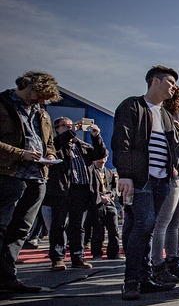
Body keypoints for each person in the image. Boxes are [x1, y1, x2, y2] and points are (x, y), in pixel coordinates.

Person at [111, 65, 179, 300]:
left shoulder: (166, 115)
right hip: (140, 179)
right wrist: (125, 174)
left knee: (144, 227)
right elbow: (122, 141)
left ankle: (143, 277)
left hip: (162, 180)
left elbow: (172, 147)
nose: (174, 88)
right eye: (170, 82)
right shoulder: (132, 106)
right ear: (155, 81)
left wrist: (173, 168)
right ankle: (130, 281)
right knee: (144, 223)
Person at [0, 71, 60, 293]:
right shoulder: (3, 104)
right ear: (26, 85)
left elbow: (50, 142)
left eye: (45, 99)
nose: (41, 101)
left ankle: (7, 278)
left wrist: (51, 155)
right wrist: (20, 153)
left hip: (37, 177)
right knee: (2, 226)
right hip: (8, 175)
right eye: (39, 95)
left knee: (21, 230)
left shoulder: (42, 114)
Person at [47, 116, 107, 270]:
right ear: (57, 129)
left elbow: (100, 154)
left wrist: (96, 136)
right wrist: (71, 132)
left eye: (71, 125)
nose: (70, 128)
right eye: (65, 126)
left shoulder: (82, 146)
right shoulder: (55, 145)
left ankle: (77, 257)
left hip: (81, 190)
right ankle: (57, 258)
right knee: (58, 224)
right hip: (62, 189)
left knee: (78, 225)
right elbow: (58, 143)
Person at [149, 86, 179, 282]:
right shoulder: (165, 119)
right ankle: (157, 263)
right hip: (174, 176)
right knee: (163, 221)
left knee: (178, 222)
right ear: (178, 100)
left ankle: (173, 260)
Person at [88, 155, 120, 260]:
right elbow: (90, 187)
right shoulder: (91, 171)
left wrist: (110, 195)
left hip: (110, 203)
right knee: (98, 231)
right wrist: (100, 197)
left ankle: (113, 253)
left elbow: (114, 188)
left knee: (114, 230)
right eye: (100, 156)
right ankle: (97, 253)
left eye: (105, 156)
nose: (103, 158)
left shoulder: (109, 172)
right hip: (97, 204)